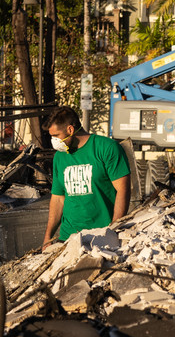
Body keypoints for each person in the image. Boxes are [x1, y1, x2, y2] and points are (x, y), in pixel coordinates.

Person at [42, 106, 131, 250]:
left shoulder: (107, 148)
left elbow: (123, 191)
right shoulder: (60, 156)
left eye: (56, 135)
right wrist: (48, 237)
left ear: (70, 130)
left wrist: (113, 231)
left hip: (100, 237)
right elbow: (58, 198)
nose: (54, 141)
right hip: (68, 238)